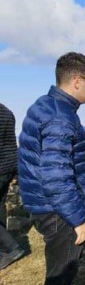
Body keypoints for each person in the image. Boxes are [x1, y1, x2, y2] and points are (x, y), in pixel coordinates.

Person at [18, 52, 85, 285]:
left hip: (45, 205)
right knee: (59, 273)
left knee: (66, 267)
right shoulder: (59, 117)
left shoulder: (46, 105)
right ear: (78, 81)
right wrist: (77, 219)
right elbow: (56, 175)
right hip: (57, 210)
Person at [0, 103, 25, 271]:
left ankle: (12, 248)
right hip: (8, 167)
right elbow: (11, 144)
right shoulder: (6, 111)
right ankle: (3, 251)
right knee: (0, 205)